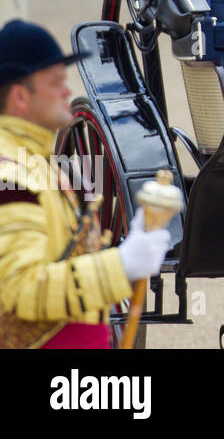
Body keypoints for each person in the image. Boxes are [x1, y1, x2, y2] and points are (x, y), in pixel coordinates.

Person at [0, 19, 170, 349]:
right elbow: (21, 290)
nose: (68, 92)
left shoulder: (31, 163)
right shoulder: (11, 179)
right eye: (55, 83)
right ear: (21, 96)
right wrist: (119, 266)